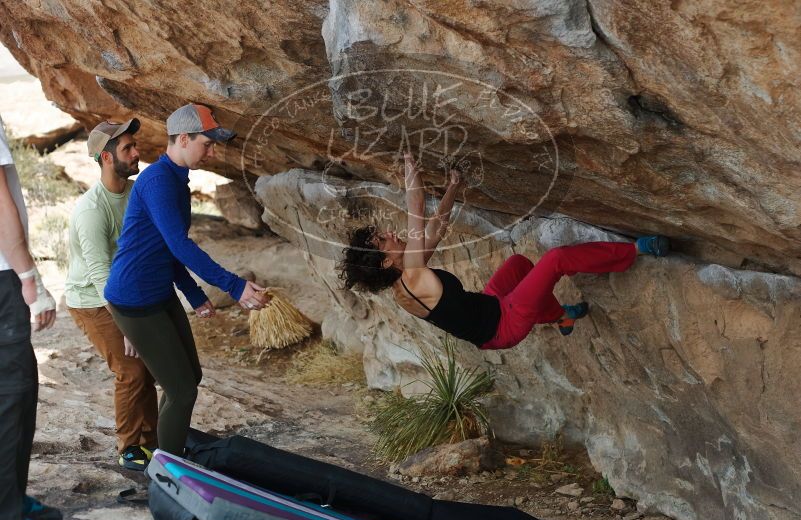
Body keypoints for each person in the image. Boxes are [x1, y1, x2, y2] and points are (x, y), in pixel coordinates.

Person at [338, 152, 670, 350]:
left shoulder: (407, 279)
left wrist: (454, 186)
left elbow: (436, 226)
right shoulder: (412, 274)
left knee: (519, 264)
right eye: (383, 240)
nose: (390, 234)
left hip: (493, 306)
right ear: (384, 261)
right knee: (555, 260)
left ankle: (560, 317)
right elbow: (416, 207)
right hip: (504, 326)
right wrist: (410, 162)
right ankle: (635, 250)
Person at [104, 104, 269, 456]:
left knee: (188, 379)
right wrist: (234, 286)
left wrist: (193, 294)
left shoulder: (176, 180)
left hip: (158, 293)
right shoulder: (159, 181)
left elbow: (167, 243)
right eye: (206, 144)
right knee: (182, 391)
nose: (211, 152)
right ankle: (168, 470)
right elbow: (180, 244)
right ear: (182, 138)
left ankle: (164, 452)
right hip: (134, 300)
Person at [64, 118, 159, 471]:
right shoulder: (91, 210)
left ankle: (154, 442)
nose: (137, 153)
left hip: (123, 292)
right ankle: (128, 448)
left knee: (148, 367)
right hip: (92, 299)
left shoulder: (134, 194)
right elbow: (99, 273)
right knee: (131, 370)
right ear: (107, 158)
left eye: (135, 146)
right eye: (128, 149)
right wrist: (128, 326)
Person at [0, 115, 61, 520]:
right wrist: (29, 278)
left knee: (18, 388)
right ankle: (6, 518)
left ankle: (12, 498)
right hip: (2, 278)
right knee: (11, 396)